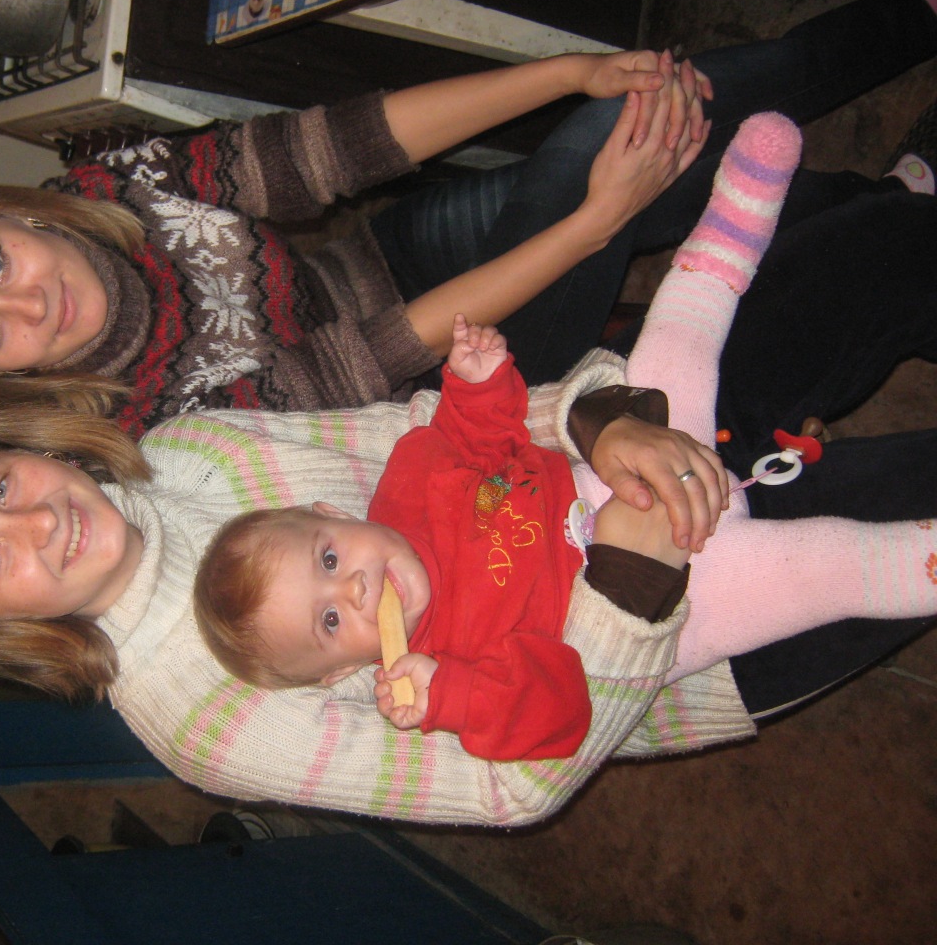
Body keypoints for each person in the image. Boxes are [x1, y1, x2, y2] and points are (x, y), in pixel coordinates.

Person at [0, 132, 937, 826]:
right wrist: (628, 584)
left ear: (25, 446)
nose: (37, 526)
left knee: (879, 253)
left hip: (608, 466)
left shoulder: (194, 448)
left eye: (1, 489)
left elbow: (429, 431)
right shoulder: (202, 730)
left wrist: (603, 425)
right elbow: (510, 789)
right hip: (689, 631)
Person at [0, 0, 937, 438]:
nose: (27, 308)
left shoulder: (103, 189)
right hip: (441, 385)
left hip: (379, 260)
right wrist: (595, 223)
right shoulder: (151, 423)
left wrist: (569, 72)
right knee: (596, 171)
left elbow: (333, 148)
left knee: (631, 123)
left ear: (15, 221)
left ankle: (889, 149)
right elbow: (376, 357)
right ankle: (886, 209)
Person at [190, 116, 937, 763]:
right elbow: (562, 711)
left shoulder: (408, 484)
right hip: (674, 601)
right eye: (330, 621)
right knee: (813, 569)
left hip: (611, 474)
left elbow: (475, 435)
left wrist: (477, 384)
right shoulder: (450, 664)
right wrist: (453, 698)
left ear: (329, 511)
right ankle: (918, 561)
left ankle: (727, 237)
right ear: (338, 673)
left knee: (667, 355)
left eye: (328, 558)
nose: (355, 589)